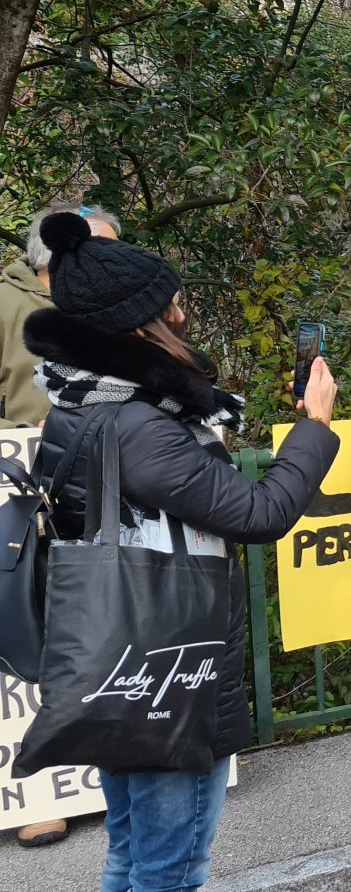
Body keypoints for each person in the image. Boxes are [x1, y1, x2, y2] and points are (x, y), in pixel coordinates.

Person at [22, 212, 340, 892]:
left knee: (130, 855)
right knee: (170, 868)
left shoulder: (78, 401)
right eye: (173, 301)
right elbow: (259, 513)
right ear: (143, 320)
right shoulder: (141, 424)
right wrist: (314, 427)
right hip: (167, 667)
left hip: (115, 660)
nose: (184, 310)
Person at [0, 204, 118, 852]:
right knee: (26, 637)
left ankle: (96, 774)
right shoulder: (4, 306)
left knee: (96, 632)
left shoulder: (106, 312)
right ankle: (37, 795)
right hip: (20, 507)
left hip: (96, 499)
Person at [1, 206, 119, 432]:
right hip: (29, 458)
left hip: (117, 454)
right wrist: (24, 433)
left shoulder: (120, 308)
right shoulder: (5, 303)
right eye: (106, 249)